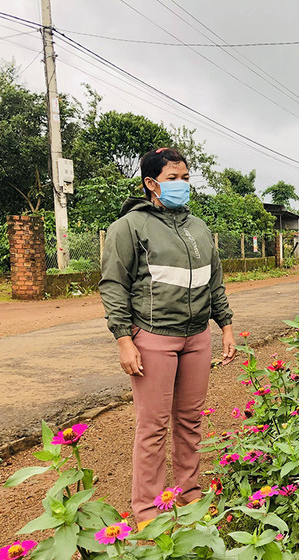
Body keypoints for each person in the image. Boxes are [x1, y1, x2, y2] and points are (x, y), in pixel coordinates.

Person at [99, 147, 237, 530]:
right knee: (153, 425)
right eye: (173, 179)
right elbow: (113, 285)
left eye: (186, 178)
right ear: (151, 183)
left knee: (190, 419)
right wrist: (123, 339)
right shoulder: (128, 227)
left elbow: (215, 283)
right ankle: (146, 509)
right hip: (153, 338)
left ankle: (188, 491)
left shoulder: (199, 228)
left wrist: (224, 325)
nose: (181, 185)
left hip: (196, 338)